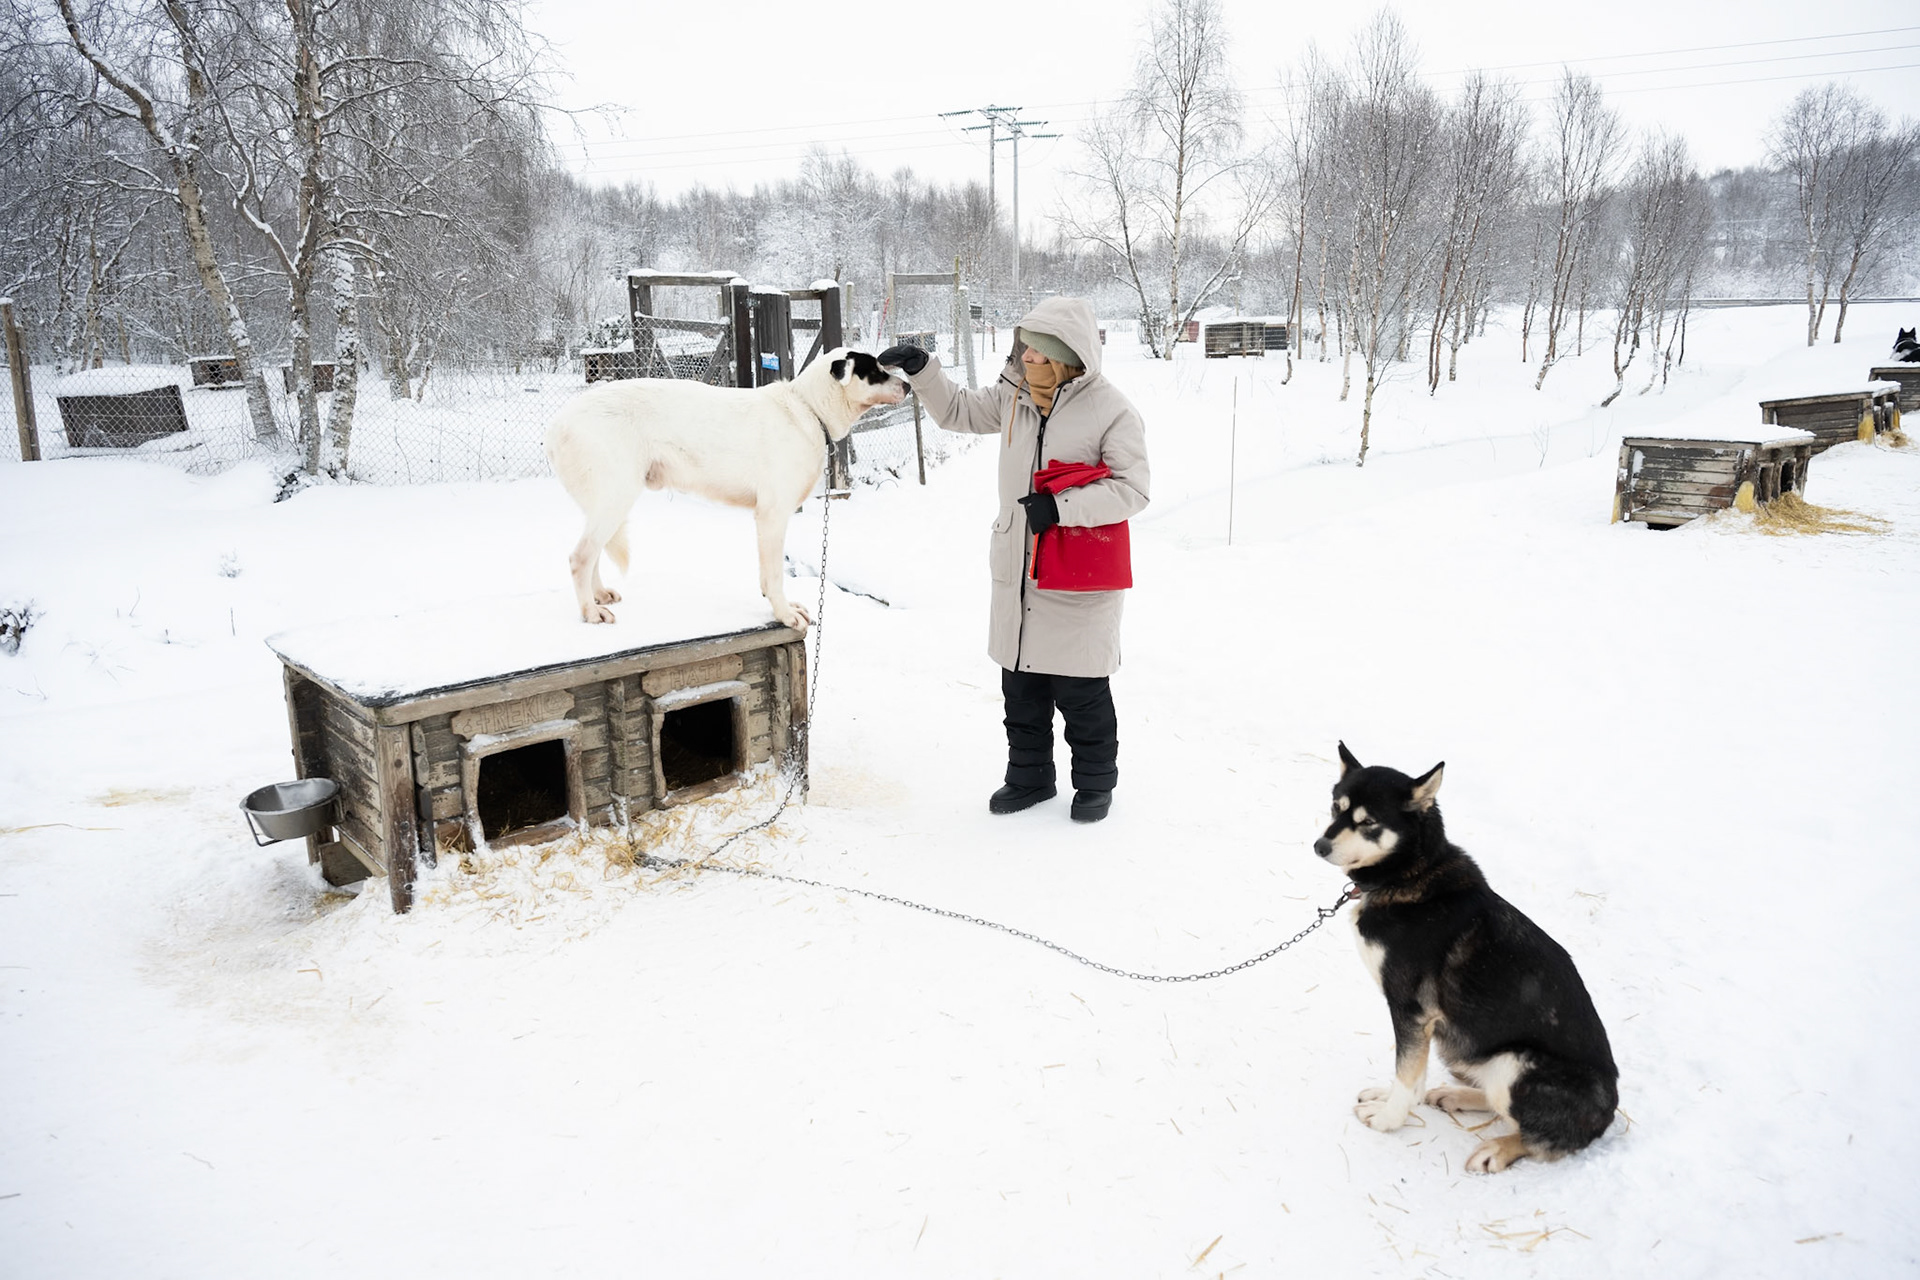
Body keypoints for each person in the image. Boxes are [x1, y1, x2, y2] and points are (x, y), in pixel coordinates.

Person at [878, 298, 1149, 823]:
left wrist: (1061, 507)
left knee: (1081, 692)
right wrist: (924, 370)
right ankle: (1029, 778)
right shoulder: (1014, 394)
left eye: (1039, 353)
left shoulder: (1111, 410)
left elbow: (1133, 489)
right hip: (1018, 569)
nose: (1026, 358)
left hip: (1076, 573)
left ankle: (1095, 785)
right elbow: (958, 412)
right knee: (1021, 689)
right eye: (1024, 348)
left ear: (1068, 356)